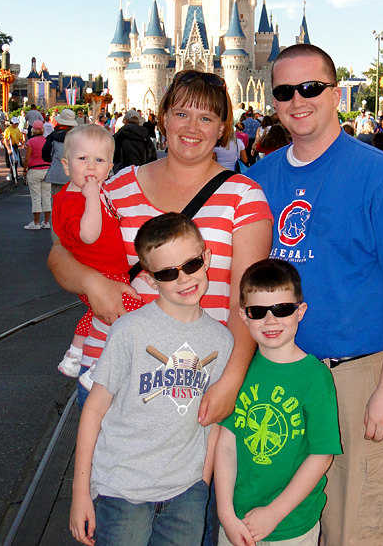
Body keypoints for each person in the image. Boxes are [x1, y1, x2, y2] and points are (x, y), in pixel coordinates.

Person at [247, 44, 383, 546]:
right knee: (277, 527)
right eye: (285, 91)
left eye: (310, 88)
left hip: (349, 378)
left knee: (354, 527)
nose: (297, 101)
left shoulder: (380, 175)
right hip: (277, 380)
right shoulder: (256, 180)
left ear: (334, 93)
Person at [48, 69, 272, 429]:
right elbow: (60, 253)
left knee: (193, 485)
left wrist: (229, 382)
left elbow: (245, 301)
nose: (192, 127)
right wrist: (93, 282)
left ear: (222, 128)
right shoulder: (117, 187)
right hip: (114, 370)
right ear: (163, 117)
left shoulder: (244, 197)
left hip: (196, 378)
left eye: (206, 118)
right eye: (182, 114)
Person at [69, 212, 234, 546]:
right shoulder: (131, 330)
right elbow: (94, 411)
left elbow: (212, 419)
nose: (184, 278)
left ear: (207, 259)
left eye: (191, 264)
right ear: (150, 279)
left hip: (185, 493)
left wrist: (201, 483)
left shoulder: (222, 340)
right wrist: (80, 492)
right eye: (168, 273)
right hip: (121, 490)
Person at [215, 259, 342, 546]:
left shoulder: (314, 377)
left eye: (282, 309)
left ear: (300, 311)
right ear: (243, 316)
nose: (270, 321)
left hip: (292, 525)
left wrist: (274, 513)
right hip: (238, 522)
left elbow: (321, 455)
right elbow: (226, 444)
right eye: (258, 312)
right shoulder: (241, 368)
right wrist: (225, 512)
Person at [52, 124, 144, 393]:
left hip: (112, 272)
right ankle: (98, 370)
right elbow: (89, 235)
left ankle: (75, 353)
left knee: (98, 316)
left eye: (99, 160)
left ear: (109, 168)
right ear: (66, 166)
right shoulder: (74, 199)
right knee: (127, 322)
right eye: (83, 159)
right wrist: (92, 197)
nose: (91, 167)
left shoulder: (93, 193)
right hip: (102, 275)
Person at [42, 108, 79, 198]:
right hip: (76, 175)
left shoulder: (53, 136)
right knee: (72, 204)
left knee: (56, 203)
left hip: (57, 174)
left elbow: (45, 155)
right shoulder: (79, 137)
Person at [22, 120, 52, 230]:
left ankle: (35, 223)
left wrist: (25, 169)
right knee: (47, 196)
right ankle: (46, 222)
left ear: (33, 130)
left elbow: (27, 157)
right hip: (47, 169)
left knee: (36, 197)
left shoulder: (31, 142)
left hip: (34, 170)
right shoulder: (47, 141)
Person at [3, 116, 24, 183]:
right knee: (12, 161)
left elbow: (20, 138)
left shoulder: (17, 129)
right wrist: (8, 149)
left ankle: (15, 174)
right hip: (10, 146)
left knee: (16, 160)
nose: (16, 125)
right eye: (15, 124)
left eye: (17, 124)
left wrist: (25, 144)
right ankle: (11, 174)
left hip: (15, 146)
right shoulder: (8, 130)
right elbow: (5, 140)